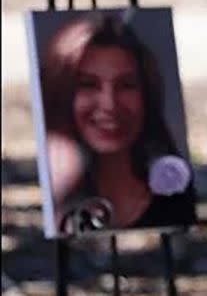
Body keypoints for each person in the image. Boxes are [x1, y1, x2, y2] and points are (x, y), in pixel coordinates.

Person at [40, 12, 196, 236]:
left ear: (147, 96)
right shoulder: (59, 203)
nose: (109, 104)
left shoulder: (174, 200)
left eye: (126, 85)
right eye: (88, 85)